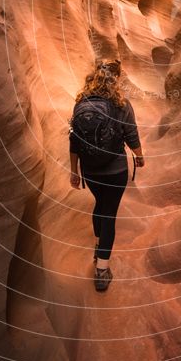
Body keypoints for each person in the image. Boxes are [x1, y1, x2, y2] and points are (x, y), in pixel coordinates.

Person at [69, 59, 145, 292]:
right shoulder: (121, 103)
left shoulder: (81, 102)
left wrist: (74, 171)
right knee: (109, 214)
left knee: (100, 204)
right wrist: (140, 156)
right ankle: (102, 269)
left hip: (90, 170)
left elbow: (73, 140)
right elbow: (131, 133)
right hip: (115, 170)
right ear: (116, 79)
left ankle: (97, 245)